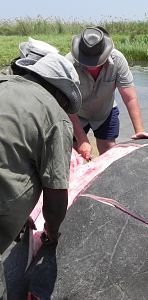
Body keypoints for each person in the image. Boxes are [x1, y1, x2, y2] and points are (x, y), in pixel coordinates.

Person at [0, 53, 82, 300]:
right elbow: (55, 197)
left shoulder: (4, 84)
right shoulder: (54, 116)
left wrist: (21, 213)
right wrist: (52, 234)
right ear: (60, 94)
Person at [66, 26, 148, 160]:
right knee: (75, 153)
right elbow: (66, 105)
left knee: (109, 151)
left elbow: (129, 97)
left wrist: (139, 130)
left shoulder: (118, 60)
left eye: (96, 60)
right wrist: (82, 139)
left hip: (105, 111)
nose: (92, 65)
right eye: (87, 60)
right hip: (77, 113)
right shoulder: (67, 64)